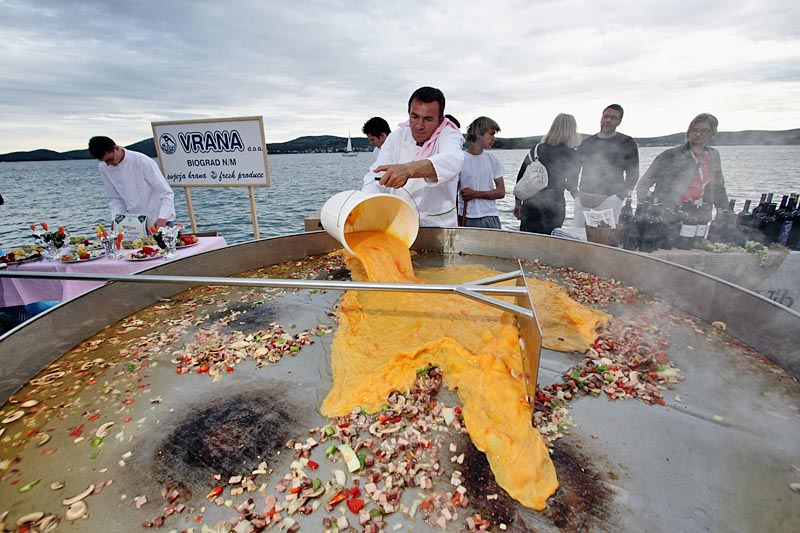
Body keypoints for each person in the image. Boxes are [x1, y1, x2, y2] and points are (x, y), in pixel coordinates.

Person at [362, 86, 465, 228]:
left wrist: (408, 169)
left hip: (439, 227)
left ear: (440, 120)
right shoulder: (397, 137)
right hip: (401, 225)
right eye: (414, 117)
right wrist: (367, 204)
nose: (419, 126)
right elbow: (375, 177)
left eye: (428, 119)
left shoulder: (449, 135)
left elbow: (453, 160)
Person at [636, 113, 728, 208]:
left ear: (712, 133)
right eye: (694, 130)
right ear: (689, 132)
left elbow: (718, 189)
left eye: (704, 130)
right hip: (669, 214)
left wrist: (725, 213)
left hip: (700, 214)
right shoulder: (671, 155)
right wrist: (648, 208)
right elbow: (643, 184)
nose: (698, 134)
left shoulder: (713, 155)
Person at [88, 136, 176, 231]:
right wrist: (115, 220)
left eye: (110, 159)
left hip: (160, 219)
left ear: (116, 148)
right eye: (104, 161)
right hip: (137, 223)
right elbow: (115, 198)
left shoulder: (142, 161)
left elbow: (166, 192)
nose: (108, 164)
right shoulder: (103, 167)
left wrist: (162, 218)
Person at [514, 113, 581, 234]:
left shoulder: (537, 149)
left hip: (531, 202)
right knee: (549, 243)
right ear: (572, 131)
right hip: (555, 205)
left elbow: (522, 175)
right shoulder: (573, 154)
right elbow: (572, 183)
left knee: (526, 242)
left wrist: (517, 202)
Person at [574, 104, 639, 227]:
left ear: (619, 121)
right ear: (601, 118)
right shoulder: (587, 143)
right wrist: (574, 193)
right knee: (579, 238)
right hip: (583, 199)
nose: (608, 120)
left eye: (613, 118)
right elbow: (573, 169)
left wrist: (620, 197)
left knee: (605, 239)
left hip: (610, 199)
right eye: (606, 116)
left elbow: (633, 174)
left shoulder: (626, 142)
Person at [457, 116, 505, 228]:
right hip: (466, 217)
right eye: (491, 134)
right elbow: (452, 194)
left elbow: (501, 192)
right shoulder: (459, 159)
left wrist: (475, 194)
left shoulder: (493, 159)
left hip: (491, 216)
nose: (494, 138)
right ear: (478, 134)